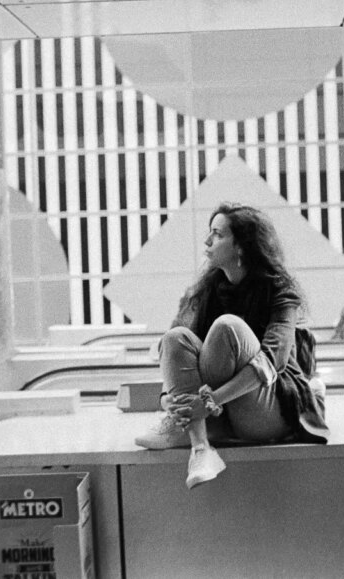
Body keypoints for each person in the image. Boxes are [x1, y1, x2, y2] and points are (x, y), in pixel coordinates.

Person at [134, 202, 328, 489]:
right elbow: (177, 354)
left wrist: (209, 401)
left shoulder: (280, 291)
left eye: (217, 234)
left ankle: (313, 391)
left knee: (228, 326)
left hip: (266, 408)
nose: (207, 241)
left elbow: (273, 359)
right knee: (175, 338)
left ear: (241, 247)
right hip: (218, 413)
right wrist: (168, 400)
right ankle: (201, 450)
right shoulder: (206, 291)